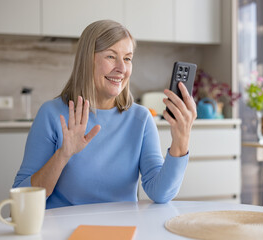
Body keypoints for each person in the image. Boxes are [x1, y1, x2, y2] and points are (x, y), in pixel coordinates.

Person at [13, 20, 197, 209]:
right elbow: (21, 201)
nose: (122, 69)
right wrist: (63, 154)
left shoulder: (140, 119)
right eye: (111, 56)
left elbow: (160, 193)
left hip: (121, 230)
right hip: (63, 230)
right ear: (87, 60)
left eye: (127, 58)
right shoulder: (52, 114)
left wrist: (181, 140)